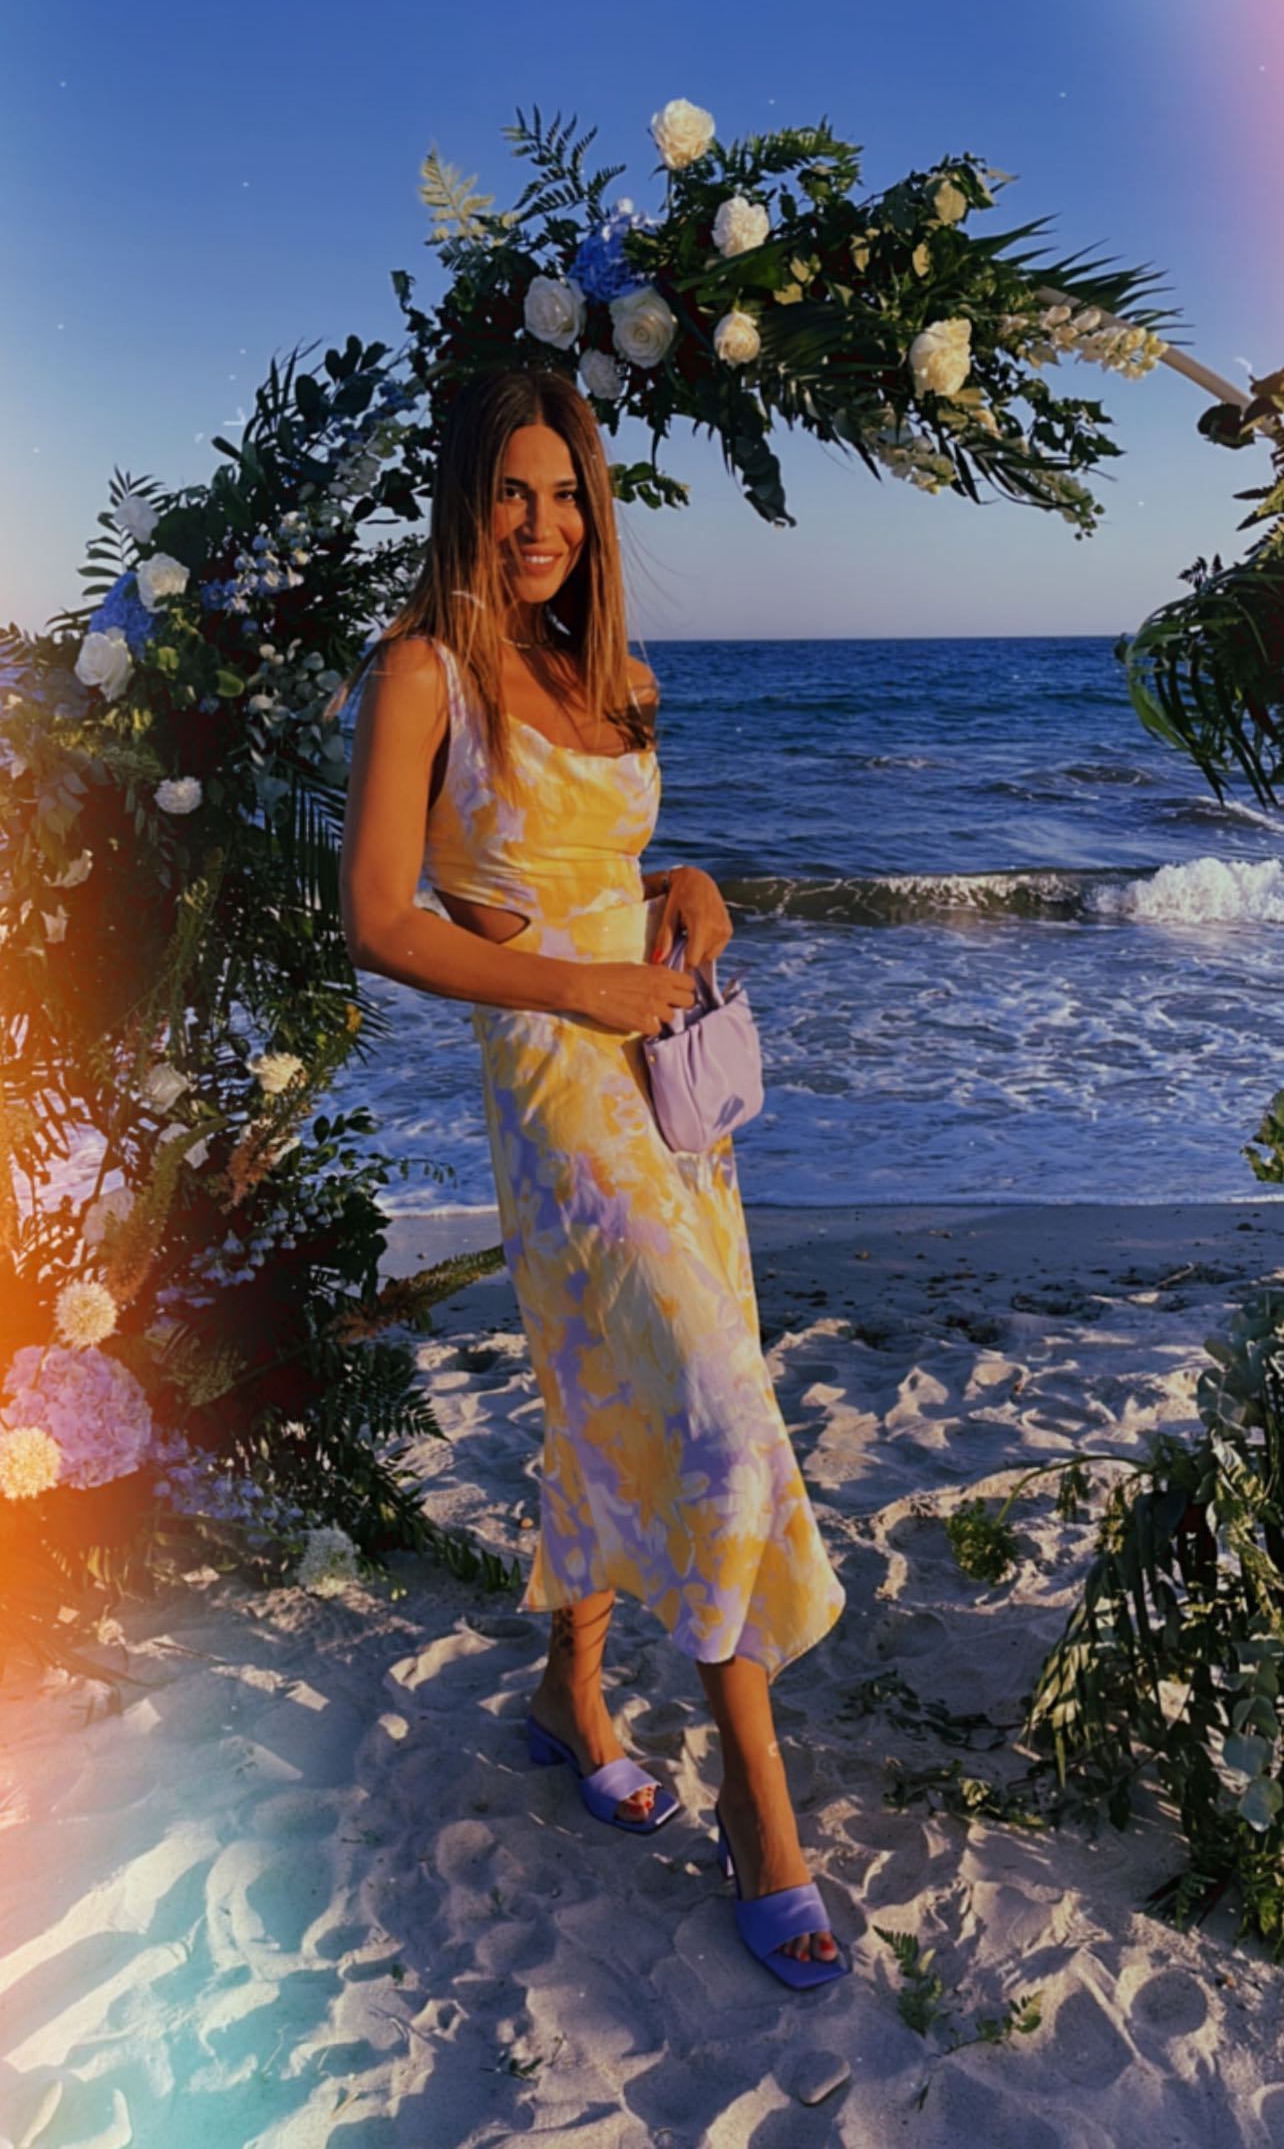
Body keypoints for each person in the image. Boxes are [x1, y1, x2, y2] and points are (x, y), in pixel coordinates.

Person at [337, 365, 847, 1988]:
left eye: (565, 494)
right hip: (557, 1086)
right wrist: (580, 986)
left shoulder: (616, 673)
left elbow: (606, 863)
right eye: (512, 491)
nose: (541, 523)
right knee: (716, 1413)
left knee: (604, 1386)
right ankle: (761, 1805)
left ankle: (570, 1692)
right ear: (466, 497)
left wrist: (688, 887)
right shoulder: (422, 670)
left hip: (665, 1072)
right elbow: (382, 918)